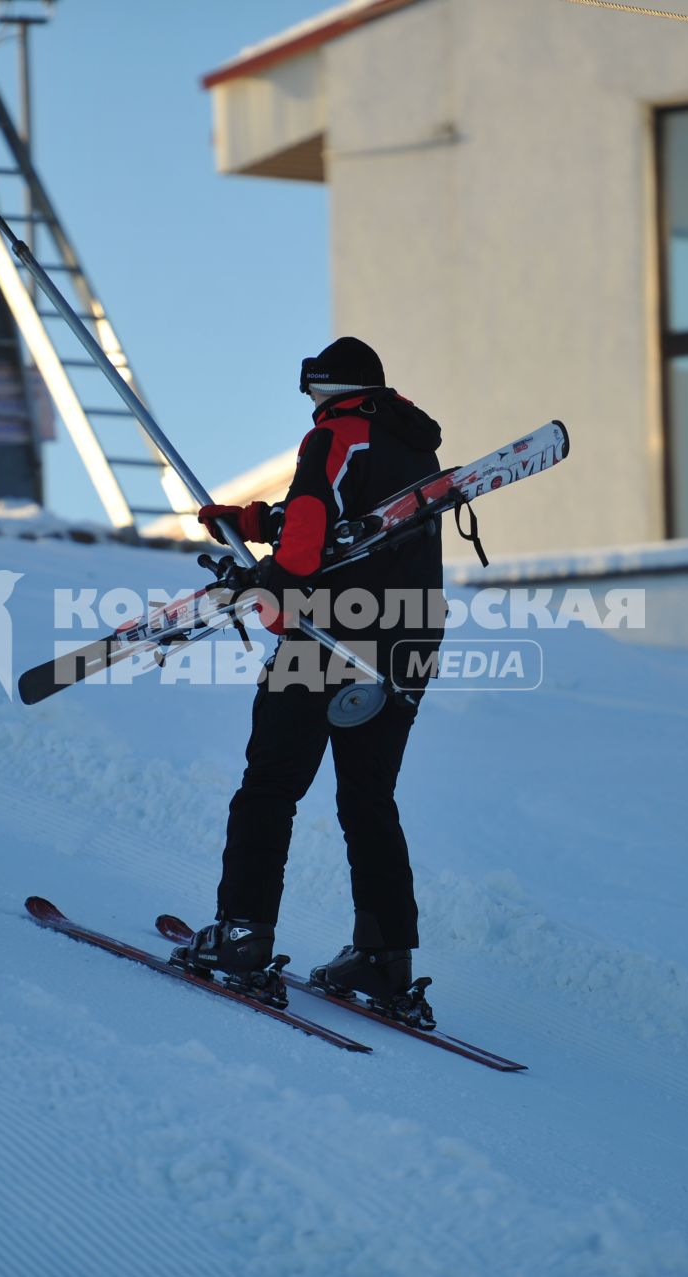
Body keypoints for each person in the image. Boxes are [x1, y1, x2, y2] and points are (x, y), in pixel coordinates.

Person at [170, 337, 444, 1028]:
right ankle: (384, 958)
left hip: (329, 637)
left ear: (330, 391)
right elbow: (348, 527)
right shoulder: (413, 448)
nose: (312, 407)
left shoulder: (333, 436)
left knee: (271, 786)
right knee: (368, 797)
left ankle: (241, 934)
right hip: (407, 640)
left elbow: (309, 541)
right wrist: (251, 522)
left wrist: (272, 582)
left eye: (314, 394)